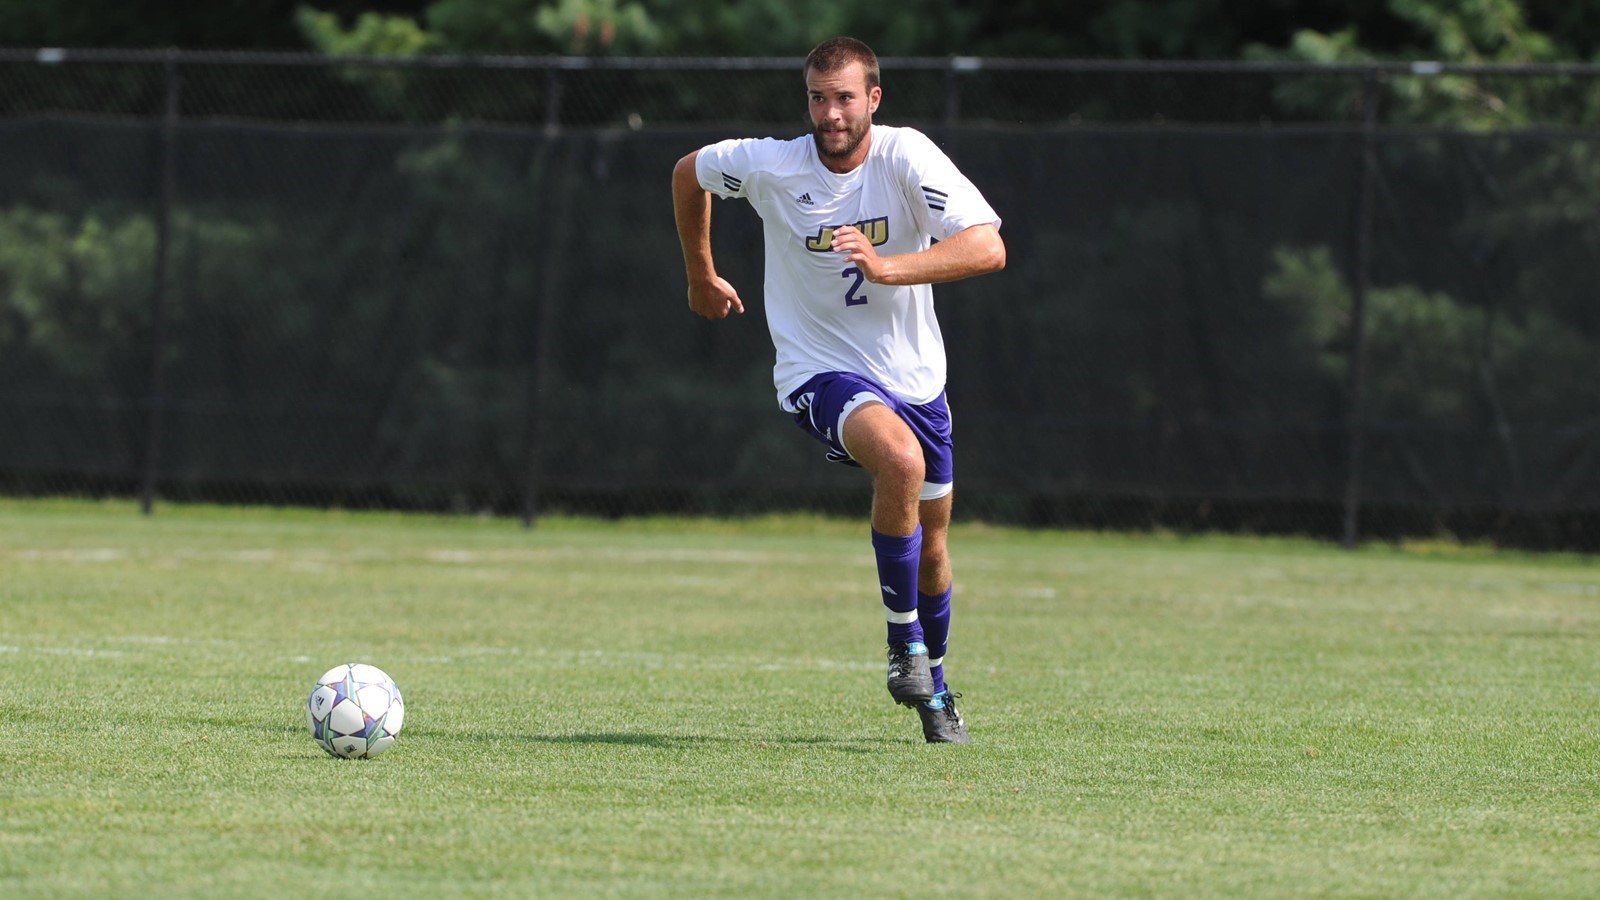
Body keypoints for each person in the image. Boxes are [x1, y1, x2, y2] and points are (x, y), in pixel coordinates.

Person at [671, 36, 1005, 744]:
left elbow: (987, 246)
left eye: (845, 98)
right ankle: (904, 646)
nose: (831, 114)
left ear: (873, 100)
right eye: (818, 99)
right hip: (818, 370)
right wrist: (701, 272)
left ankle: (937, 688)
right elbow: (687, 173)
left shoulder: (906, 156)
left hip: (915, 379)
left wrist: (890, 269)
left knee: (936, 545)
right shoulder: (772, 163)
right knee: (900, 463)